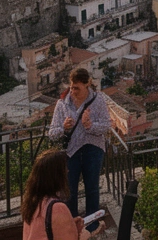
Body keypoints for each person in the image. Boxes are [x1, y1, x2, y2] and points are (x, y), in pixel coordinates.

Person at [47, 68, 111, 234]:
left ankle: (92, 227)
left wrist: (90, 125)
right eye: (71, 87)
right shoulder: (63, 103)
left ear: (87, 84)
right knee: (69, 191)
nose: (73, 91)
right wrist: (63, 128)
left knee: (92, 188)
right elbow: (52, 133)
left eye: (77, 88)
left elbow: (106, 125)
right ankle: (72, 228)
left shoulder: (98, 100)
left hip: (93, 149)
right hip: (71, 152)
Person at [22, 149, 84, 240]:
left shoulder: (32, 204)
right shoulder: (58, 208)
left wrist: (69, 224)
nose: (67, 171)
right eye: (64, 168)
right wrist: (84, 235)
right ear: (57, 175)